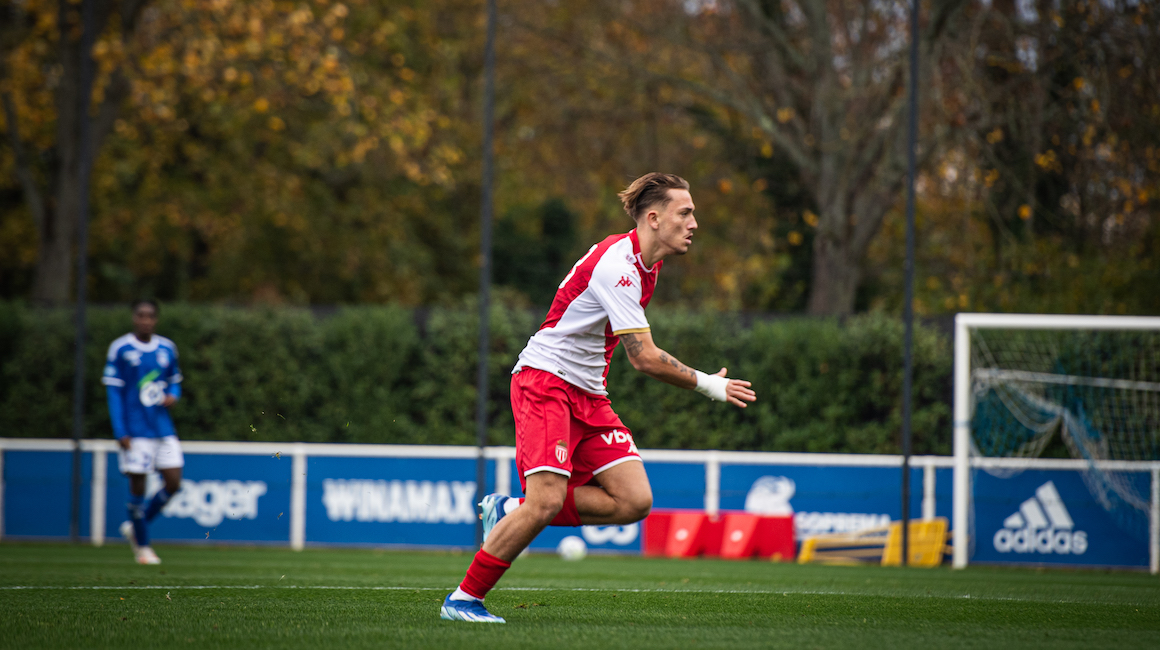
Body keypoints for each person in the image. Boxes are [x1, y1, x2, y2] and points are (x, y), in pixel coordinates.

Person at [440, 172, 757, 623]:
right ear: (653, 218)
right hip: (546, 382)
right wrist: (710, 384)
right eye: (685, 213)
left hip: (588, 393)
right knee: (546, 501)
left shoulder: (648, 266)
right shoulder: (618, 267)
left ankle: (510, 510)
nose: (693, 224)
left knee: (634, 501)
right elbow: (644, 358)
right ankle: (463, 599)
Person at [103, 299, 185, 565]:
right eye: (141, 315)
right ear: (134, 318)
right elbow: (114, 393)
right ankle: (143, 547)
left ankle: (136, 527)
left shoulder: (167, 348)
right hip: (135, 431)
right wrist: (121, 431)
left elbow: (174, 382)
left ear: (156, 319)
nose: (145, 320)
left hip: (162, 428)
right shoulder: (121, 348)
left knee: (173, 482)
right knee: (138, 485)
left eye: (150, 316)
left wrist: (173, 395)